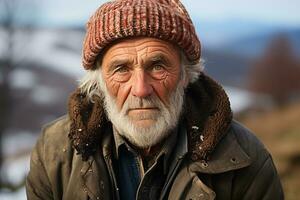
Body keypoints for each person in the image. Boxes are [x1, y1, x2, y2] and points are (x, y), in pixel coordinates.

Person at [26, 0, 284, 199]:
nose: (140, 89)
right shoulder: (54, 154)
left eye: (158, 66)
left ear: (186, 75)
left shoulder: (245, 159)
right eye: (121, 69)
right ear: (99, 82)